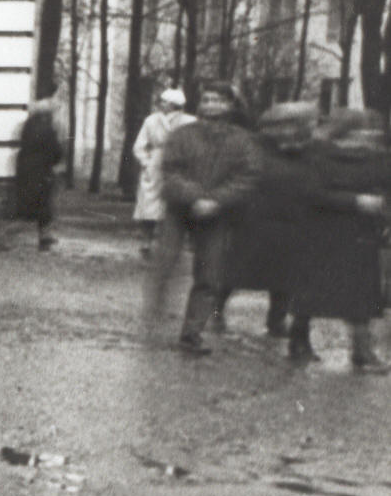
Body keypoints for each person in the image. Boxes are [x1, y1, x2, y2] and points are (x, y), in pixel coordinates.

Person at [158, 84, 260, 355]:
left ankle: (191, 333)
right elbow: (170, 170)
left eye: (218, 100)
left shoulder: (243, 141)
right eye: (207, 99)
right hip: (179, 209)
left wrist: (216, 200)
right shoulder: (182, 135)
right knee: (165, 261)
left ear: (230, 106)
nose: (211, 105)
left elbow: (247, 177)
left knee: (209, 275)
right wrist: (195, 197)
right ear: (199, 104)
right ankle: (153, 315)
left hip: (217, 214)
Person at [292, 109, 391, 372]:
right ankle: (298, 339)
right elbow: (311, 193)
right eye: (359, 132)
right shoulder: (318, 157)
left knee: (363, 294)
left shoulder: (376, 159)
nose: (365, 137)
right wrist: (356, 201)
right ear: (343, 133)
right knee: (313, 291)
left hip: (362, 235)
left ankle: (362, 351)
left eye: (369, 132)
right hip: (323, 234)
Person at [225, 102, 317, 357]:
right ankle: (215, 310)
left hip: (293, 222)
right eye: (290, 125)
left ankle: (276, 321)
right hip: (255, 219)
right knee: (238, 269)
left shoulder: (308, 150)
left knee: (286, 275)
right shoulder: (254, 146)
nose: (298, 130)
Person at [0, 101, 64, 251]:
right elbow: (56, 151)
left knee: (39, 209)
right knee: (33, 212)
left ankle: (45, 238)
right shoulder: (47, 129)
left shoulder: (28, 126)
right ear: (46, 114)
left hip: (27, 173)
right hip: (41, 173)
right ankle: (3, 237)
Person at [131, 89, 192, 258]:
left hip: (180, 163)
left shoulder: (189, 121)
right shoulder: (151, 120)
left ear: (174, 104)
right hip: (156, 164)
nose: (161, 104)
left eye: (165, 101)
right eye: (162, 101)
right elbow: (139, 145)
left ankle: (171, 245)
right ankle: (146, 242)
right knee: (149, 204)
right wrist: (146, 161)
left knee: (174, 204)